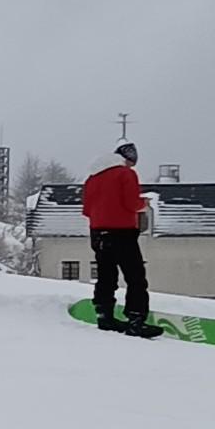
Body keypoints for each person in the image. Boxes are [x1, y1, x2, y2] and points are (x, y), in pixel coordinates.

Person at [81, 141, 160, 336]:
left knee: (106, 276)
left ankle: (104, 316)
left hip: (98, 233)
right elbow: (132, 204)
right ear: (129, 159)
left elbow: (86, 210)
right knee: (135, 278)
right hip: (121, 232)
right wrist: (144, 202)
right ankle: (136, 319)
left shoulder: (92, 178)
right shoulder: (126, 174)